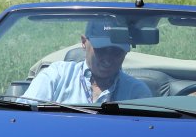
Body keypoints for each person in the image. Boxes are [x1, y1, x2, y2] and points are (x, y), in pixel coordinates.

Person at [23, 18, 152, 104]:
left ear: (126, 52)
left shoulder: (137, 93)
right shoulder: (56, 76)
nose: (108, 59)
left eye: (116, 51)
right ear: (84, 42)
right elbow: (23, 114)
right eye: (101, 49)